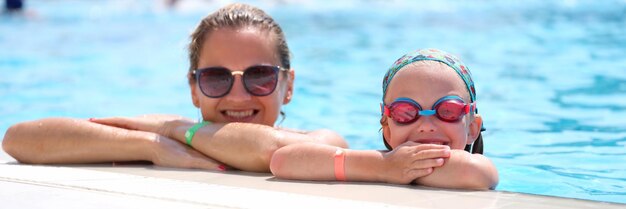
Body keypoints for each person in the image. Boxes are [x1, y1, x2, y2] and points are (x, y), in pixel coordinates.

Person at [2, 3, 347, 172]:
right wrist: (151, 144)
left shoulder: (322, 142)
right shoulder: (172, 141)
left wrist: (171, 129)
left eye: (259, 76)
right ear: (194, 88)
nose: (238, 96)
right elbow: (20, 138)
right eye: (216, 78)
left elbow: (270, 153)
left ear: (287, 85)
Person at [269, 48, 498, 190]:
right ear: (387, 129)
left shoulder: (474, 168)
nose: (426, 126)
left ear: (472, 128)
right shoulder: (381, 163)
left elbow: (477, 172)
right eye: (406, 112)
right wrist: (384, 166)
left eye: (447, 110)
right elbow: (282, 161)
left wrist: (396, 170)